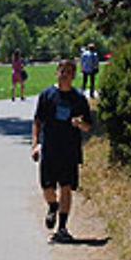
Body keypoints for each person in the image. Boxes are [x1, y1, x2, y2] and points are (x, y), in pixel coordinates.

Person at [31, 58, 91, 243]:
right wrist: (35, 144)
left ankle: (63, 227)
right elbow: (37, 121)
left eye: (69, 71)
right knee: (47, 187)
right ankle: (52, 206)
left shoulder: (79, 98)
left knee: (66, 187)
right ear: (57, 72)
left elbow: (88, 126)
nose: (65, 74)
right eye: (62, 71)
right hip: (49, 147)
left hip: (69, 149)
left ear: (74, 75)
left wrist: (81, 124)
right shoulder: (47, 95)